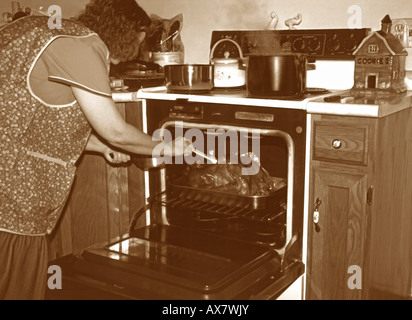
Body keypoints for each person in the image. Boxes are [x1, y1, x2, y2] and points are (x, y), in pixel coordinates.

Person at [0, 0, 190, 300]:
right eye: (137, 42)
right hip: (13, 201)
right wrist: (168, 147)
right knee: (18, 288)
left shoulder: (42, 30)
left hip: (7, 185)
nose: (127, 56)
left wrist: (99, 147)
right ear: (129, 33)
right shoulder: (83, 47)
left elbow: (37, 120)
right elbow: (114, 129)